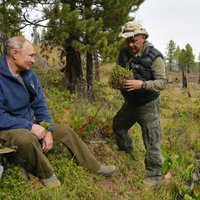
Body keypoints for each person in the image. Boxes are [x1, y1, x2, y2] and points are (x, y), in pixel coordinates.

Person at [0, 36, 116, 188]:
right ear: (15, 53)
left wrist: (47, 129)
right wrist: (30, 126)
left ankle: (95, 167)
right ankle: (47, 175)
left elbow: (40, 103)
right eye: (31, 55)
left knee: (65, 131)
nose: (34, 60)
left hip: (26, 124)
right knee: (26, 138)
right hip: (6, 129)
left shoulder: (29, 74)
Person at [112, 21, 167, 186]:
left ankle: (155, 176)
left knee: (151, 140)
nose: (130, 44)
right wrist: (115, 81)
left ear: (143, 38)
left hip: (148, 105)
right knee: (118, 125)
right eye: (127, 40)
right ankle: (127, 151)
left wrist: (141, 84)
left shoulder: (154, 57)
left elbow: (162, 83)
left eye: (134, 40)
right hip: (130, 102)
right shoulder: (123, 53)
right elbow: (117, 71)